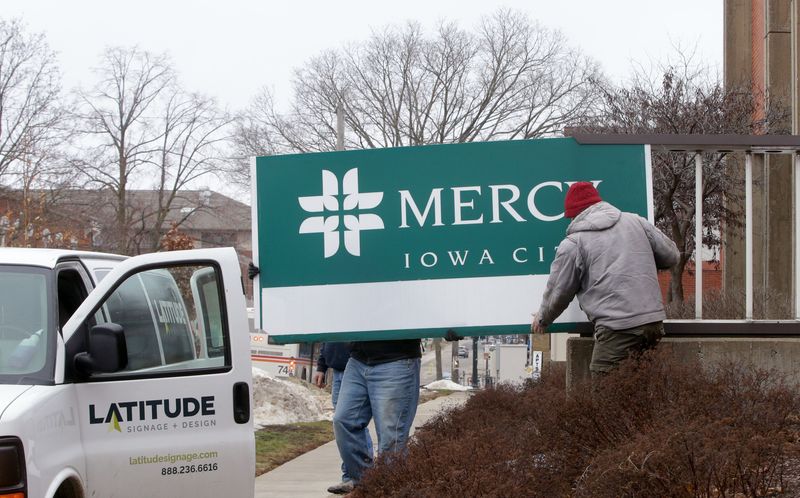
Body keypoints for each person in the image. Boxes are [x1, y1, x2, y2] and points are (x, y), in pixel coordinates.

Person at [532, 182, 680, 375]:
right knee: (640, 391)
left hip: (617, 327)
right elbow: (672, 256)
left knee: (604, 395)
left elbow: (559, 290)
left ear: (574, 214)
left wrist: (542, 318)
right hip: (652, 323)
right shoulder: (636, 222)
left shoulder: (574, 243)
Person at [328, 339, 421, 494]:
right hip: (358, 358)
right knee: (343, 421)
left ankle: (389, 489)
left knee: (391, 436)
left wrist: (450, 327)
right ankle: (365, 482)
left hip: (397, 358)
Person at [312, 342, 374, 494]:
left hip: (355, 365)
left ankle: (363, 476)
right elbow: (329, 337)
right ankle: (350, 477)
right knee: (344, 425)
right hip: (338, 369)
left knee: (354, 424)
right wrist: (321, 366)